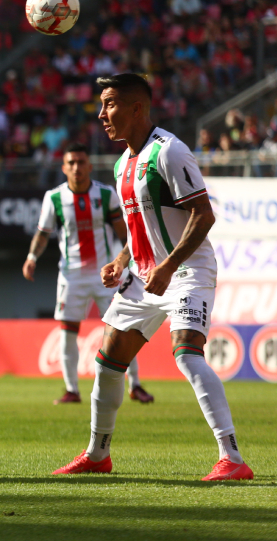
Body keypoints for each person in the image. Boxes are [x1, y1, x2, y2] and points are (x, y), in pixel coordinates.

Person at [54, 74, 253, 481]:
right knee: (108, 364)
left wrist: (169, 265)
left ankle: (232, 457)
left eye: (110, 104)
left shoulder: (170, 151)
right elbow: (137, 229)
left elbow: (204, 215)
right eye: (101, 105)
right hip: (144, 279)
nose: (101, 114)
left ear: (136, 108)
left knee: (187, 355)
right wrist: (121, 260)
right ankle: (97, 454)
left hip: (187, 270)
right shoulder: (122, 164)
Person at [24, 143, 153, 405]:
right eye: (71, 163)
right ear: (63, 168)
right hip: (71, 276)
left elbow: (123, 232)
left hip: (106, 275)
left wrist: (133, 261)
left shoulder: (105, 195)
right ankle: (72, 390)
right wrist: (31, 257)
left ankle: (135, 385)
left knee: (123, 328)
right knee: (68, 331)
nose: (76, 168)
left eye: (81, 162)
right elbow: (43, 233)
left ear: (90, 166)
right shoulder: (54, 198)